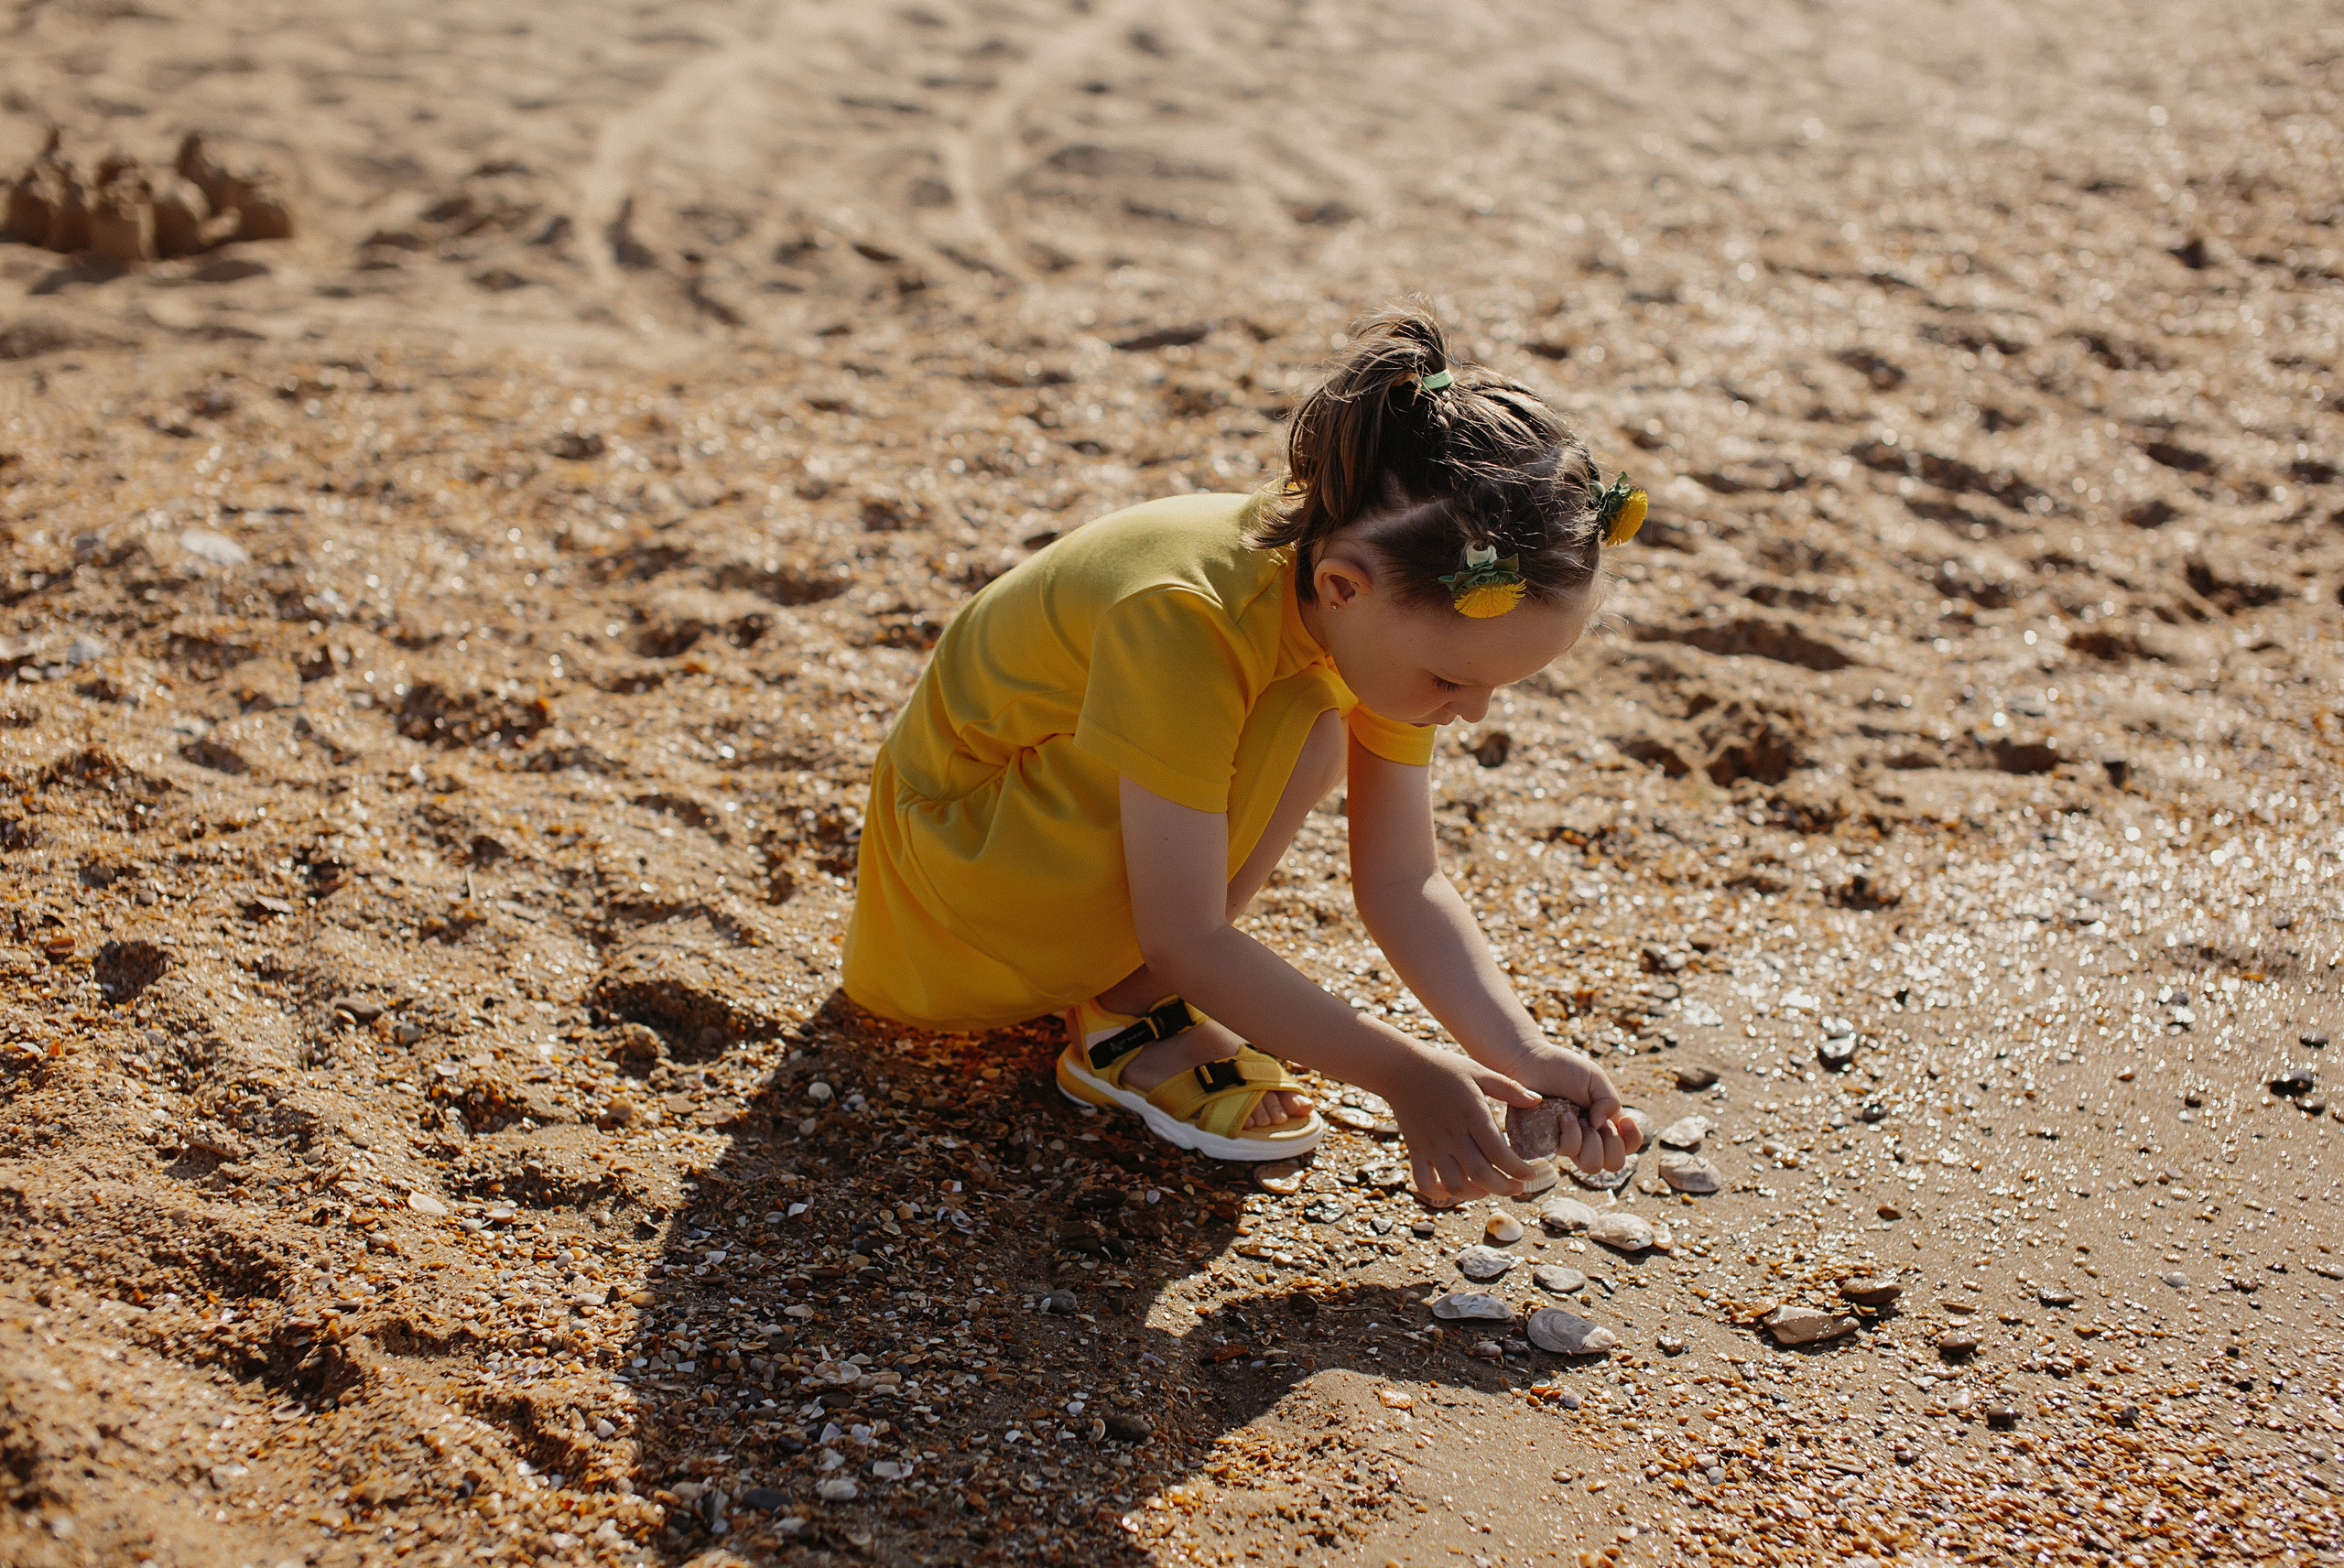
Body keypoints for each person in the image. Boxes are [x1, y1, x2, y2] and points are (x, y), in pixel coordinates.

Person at [842, 308, 1644, 1205]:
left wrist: (1521, 1049)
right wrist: (1406, 1075)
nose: (1472, 712)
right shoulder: (1187, 616)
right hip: (951, 913)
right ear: (1344, 586)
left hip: (1029, 877)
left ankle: (1119, 998)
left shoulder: (1356, 600)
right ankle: (1131, 1016)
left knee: (1310, 721)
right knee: (1305, 725)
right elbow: (1185, 938)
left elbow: (1401, 882)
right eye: (1454, 680)